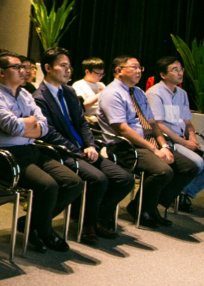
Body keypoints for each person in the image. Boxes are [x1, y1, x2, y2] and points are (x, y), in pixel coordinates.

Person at [0, 50, 83, 253]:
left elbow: (44, 126)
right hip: (5, 156)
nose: (23, 71)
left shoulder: (25, 94)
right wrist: (30, 123)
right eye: (17, 67)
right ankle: (44, 231)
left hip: (30, 149)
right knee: (48, 186)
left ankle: (31, 223)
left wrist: (27, 124)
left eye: (23, 67)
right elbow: (13, 128)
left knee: (73, 182)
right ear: (1, 72)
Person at [32, 48, 133, 245]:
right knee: (98, 179)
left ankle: (95, 217)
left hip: (84, 149)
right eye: (63, 66)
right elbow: (49, 133)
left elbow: (82, 122)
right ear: (48, 68)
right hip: (63, 152)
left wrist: (90, 145)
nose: (68, 70)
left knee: (125, 179)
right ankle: (88, 225)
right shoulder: (39, 97)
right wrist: (77, 150)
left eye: (69, 66)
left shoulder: (69, 92)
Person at [97, 55, 199, 228]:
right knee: (162, 171)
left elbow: (152, 123)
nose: (139, 71)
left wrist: (163, 145)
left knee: (189, 167)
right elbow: (123, 130)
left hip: (148, 142)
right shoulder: (112, 93)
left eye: (140, 68)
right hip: (125, 146)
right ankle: (144, 208)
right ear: (119, 70)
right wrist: (154, 150)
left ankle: (147, 205)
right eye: (134, 67)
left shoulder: (138, 92)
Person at [147, 56, 204, 213]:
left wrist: (193, 140)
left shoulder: (182, 93)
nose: (180, 73)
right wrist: (184, 143)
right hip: (168, 141)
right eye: (175, 70)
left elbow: (188, 123)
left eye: (181, 69)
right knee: (198, 163)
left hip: (182, 139)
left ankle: (184, 192)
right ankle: (174, 193)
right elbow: (158, 125)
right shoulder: (154, 93)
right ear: (163, 74)